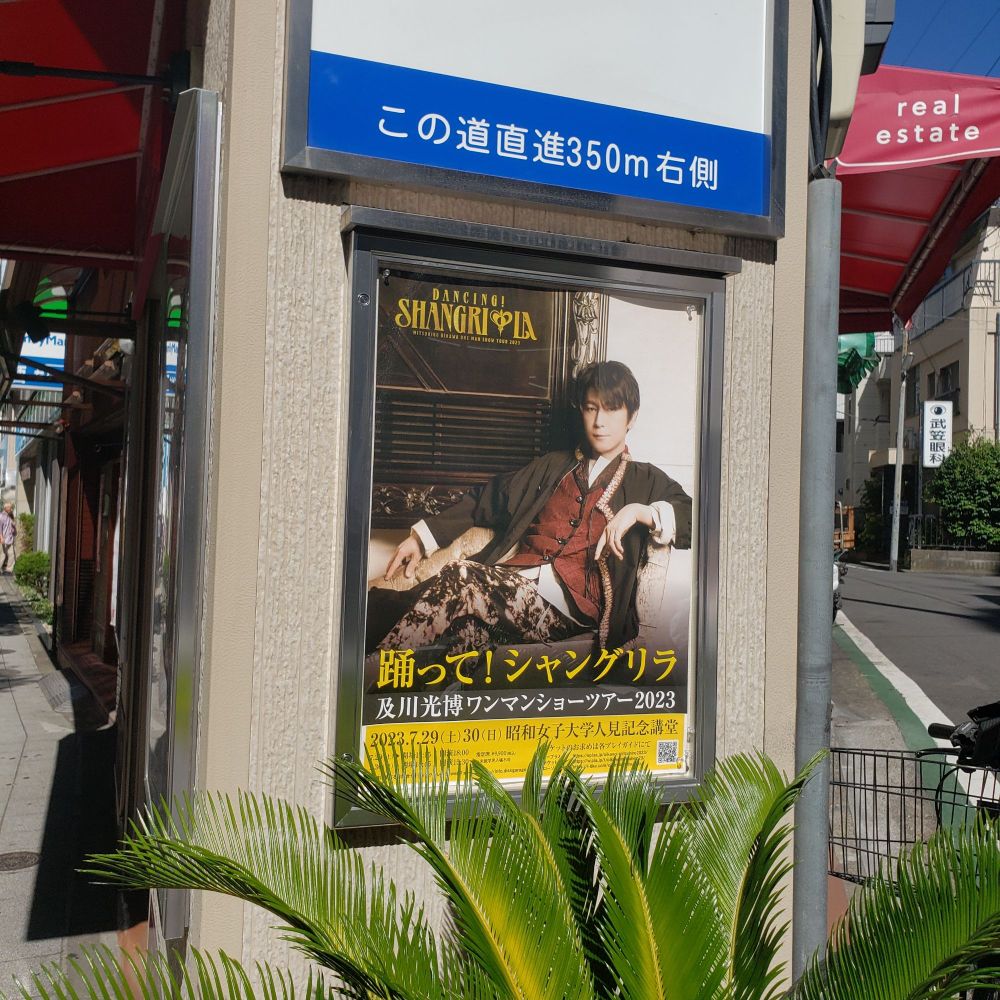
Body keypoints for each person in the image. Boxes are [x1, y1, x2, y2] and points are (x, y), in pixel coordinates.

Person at [366, 361, 692, 655]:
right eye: (591, 408)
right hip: (515, 583)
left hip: (573, 609)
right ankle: (394, 679)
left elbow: (697, 518)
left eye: (611, 409)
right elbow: (487, 498)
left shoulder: (645, 479)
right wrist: (422, 538)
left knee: (461, 574)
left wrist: (637, 511)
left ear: (632, 416)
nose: (599, 422)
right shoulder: (552, 467)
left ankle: (374, 667)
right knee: (464, 636)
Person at [0, 503, 16, 574]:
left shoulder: (10, 516)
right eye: (10, 508)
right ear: (6, 508)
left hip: (10, 539)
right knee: (2, 555)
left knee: (11, 554)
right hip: (3, 539)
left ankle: (9, 570)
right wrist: (1, 538)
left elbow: (12, 529)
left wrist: (13, 526)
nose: (11, 509)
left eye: (11, 508)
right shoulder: (1, 516)